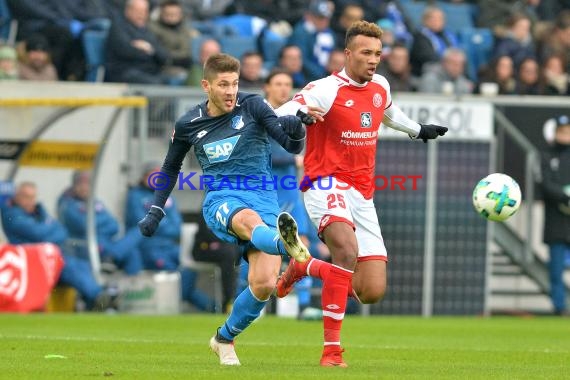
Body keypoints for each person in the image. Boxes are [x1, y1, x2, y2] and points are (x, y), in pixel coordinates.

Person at [274, 20, 447, 367]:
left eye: (378, 54)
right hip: (325, 183)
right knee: (347, 251)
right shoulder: (326, 88)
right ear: (348, 54)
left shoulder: (380, 85)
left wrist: (418, 130)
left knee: (371, 292)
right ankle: (331, 351)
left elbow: (388, 113)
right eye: (366, 53)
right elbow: (284, 110)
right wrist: (299, 118)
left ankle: (303, 267)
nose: (373, 60)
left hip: (362, 193)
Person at [137, 53, 313, 366]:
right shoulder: (189, 123)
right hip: (223, 198)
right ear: (206, 85)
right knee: (249, 221)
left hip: (262, 195)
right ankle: (283, 242)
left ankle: (224, 338)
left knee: (264, 284)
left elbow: (291, 146)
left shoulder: (254, 105)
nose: (231, 91)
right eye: (223, 85)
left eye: (234, 83)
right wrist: (156, 209)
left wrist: (298, 126)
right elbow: (170, 167)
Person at [1, 182, 116, 311]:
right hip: (29, 263)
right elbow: (38, 234)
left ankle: (95, 301)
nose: (30, 201)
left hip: (45, 259)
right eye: (26, 196)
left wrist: (47, 232)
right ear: (16, 197)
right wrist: (49, 231)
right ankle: (98, 297)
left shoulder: (39, 211)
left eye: (33, 197)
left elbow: (62, 231)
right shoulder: (11, 213)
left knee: (81, 264)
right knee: (67, 265)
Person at [125, 162, 216, 311]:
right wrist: (162, 223)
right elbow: (144, 224)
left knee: (189, 268)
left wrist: (158, 223)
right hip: (149, 246)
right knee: (173, 272)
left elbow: (176, 228)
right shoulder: (135, 196)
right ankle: (210, 307)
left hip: (170, 246)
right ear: (144, 177)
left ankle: (195, 302)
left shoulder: (167, 197)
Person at [58, 170, 143, 275]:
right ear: (74, 186)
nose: (84, 188)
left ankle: (131, 286)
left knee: (133, 248)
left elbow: (114, 225)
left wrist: (96, 222)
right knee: (129, 245)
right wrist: (101, 221)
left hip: (105, 242)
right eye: (80, 184)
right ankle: (111, 256)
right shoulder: (68, 204)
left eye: (87, 184)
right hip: (85, 246)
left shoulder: (95, 202)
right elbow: (84, 224)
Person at [540, 115, 570, 316]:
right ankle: (559, 308)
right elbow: (546, 185)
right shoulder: (546, 156)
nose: (566, 135)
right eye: (563, 132)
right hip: (556, 222)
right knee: (556, 270)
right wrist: (565, 196)